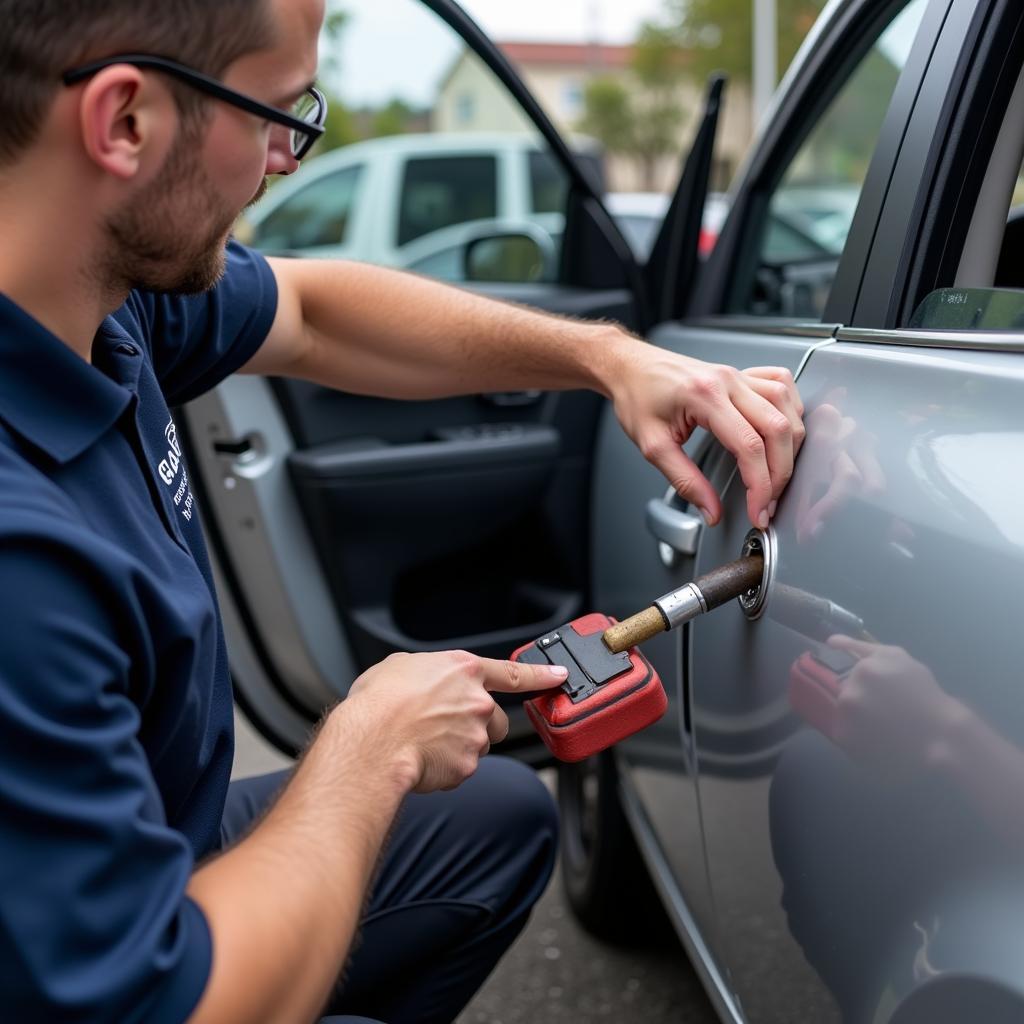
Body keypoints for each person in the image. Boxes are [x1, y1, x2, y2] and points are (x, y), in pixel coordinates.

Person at [0, 0, 805, 1021]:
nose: (287, 159)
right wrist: (363, 750)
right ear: (124, 123)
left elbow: (311, 310)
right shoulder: (19, 562)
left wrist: (608, 358)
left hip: (149, 850)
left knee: (497, 814)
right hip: (140, 981)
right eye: (275, 113)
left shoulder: (92, 298)